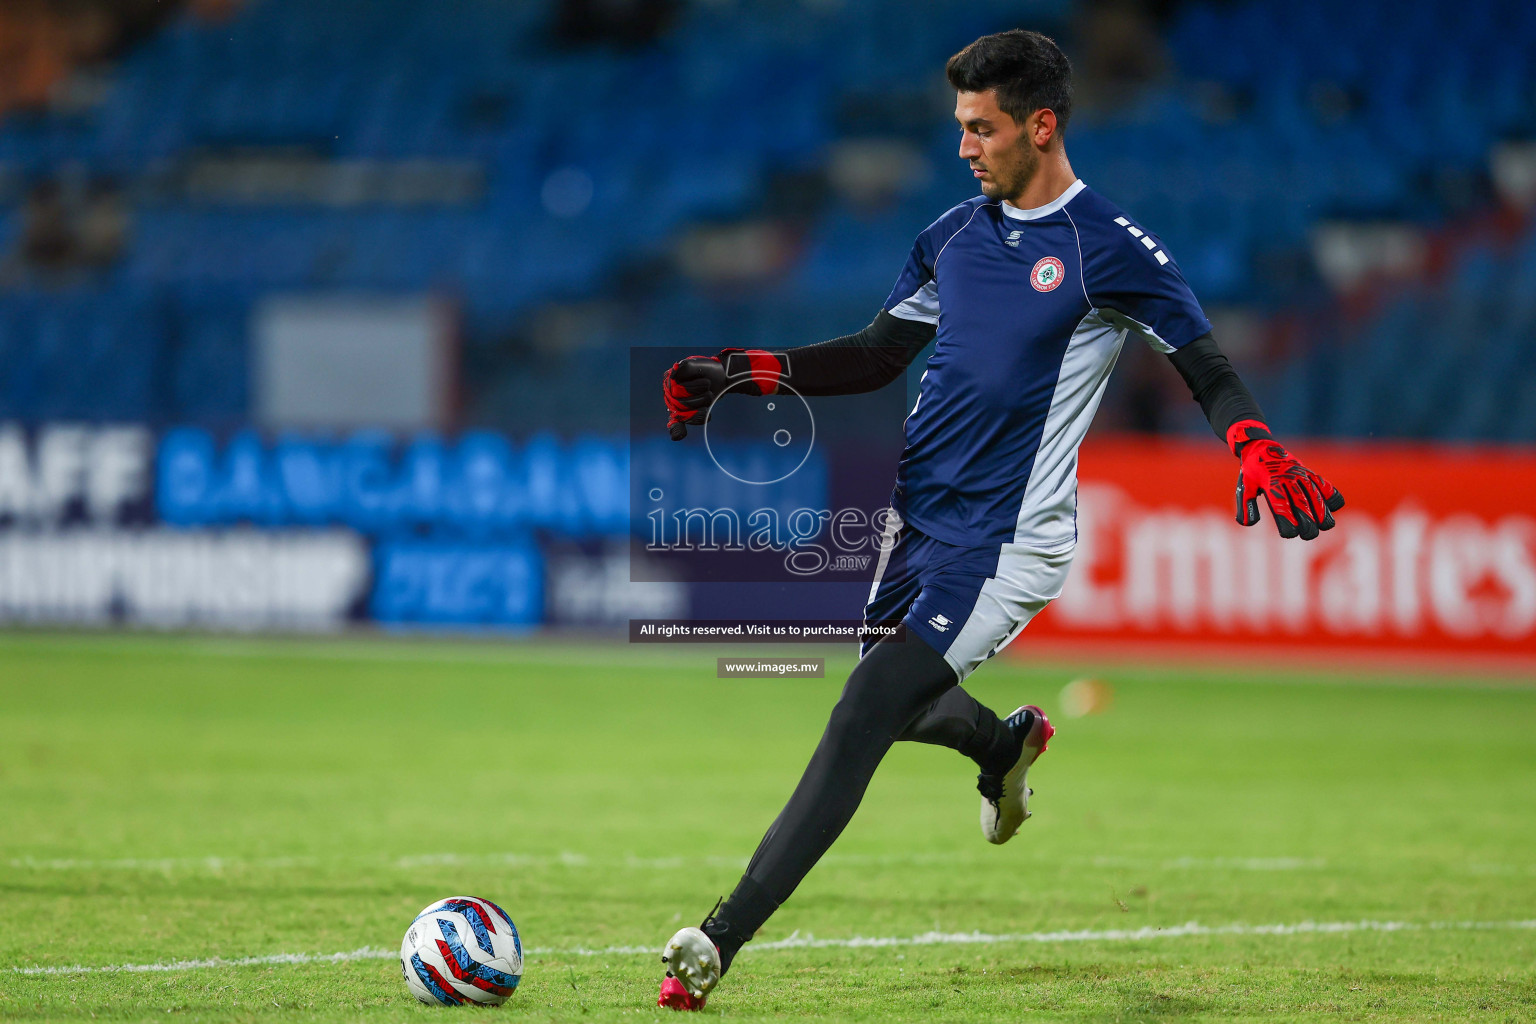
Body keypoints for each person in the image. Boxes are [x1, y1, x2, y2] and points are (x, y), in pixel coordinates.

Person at [654, 28, 1344, 1011]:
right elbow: (875, 354)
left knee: (863, 711)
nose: (966, 146)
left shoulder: (1108, 248)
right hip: (920, 524)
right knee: (893, 699)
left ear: (1040, 125)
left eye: (982, 128)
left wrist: (1254, 443)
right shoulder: (951, 235)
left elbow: (1207, 365)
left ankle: (718, 939)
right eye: (960, 128)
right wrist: (749, 371)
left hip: (1008, 541)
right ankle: (1001, 746)